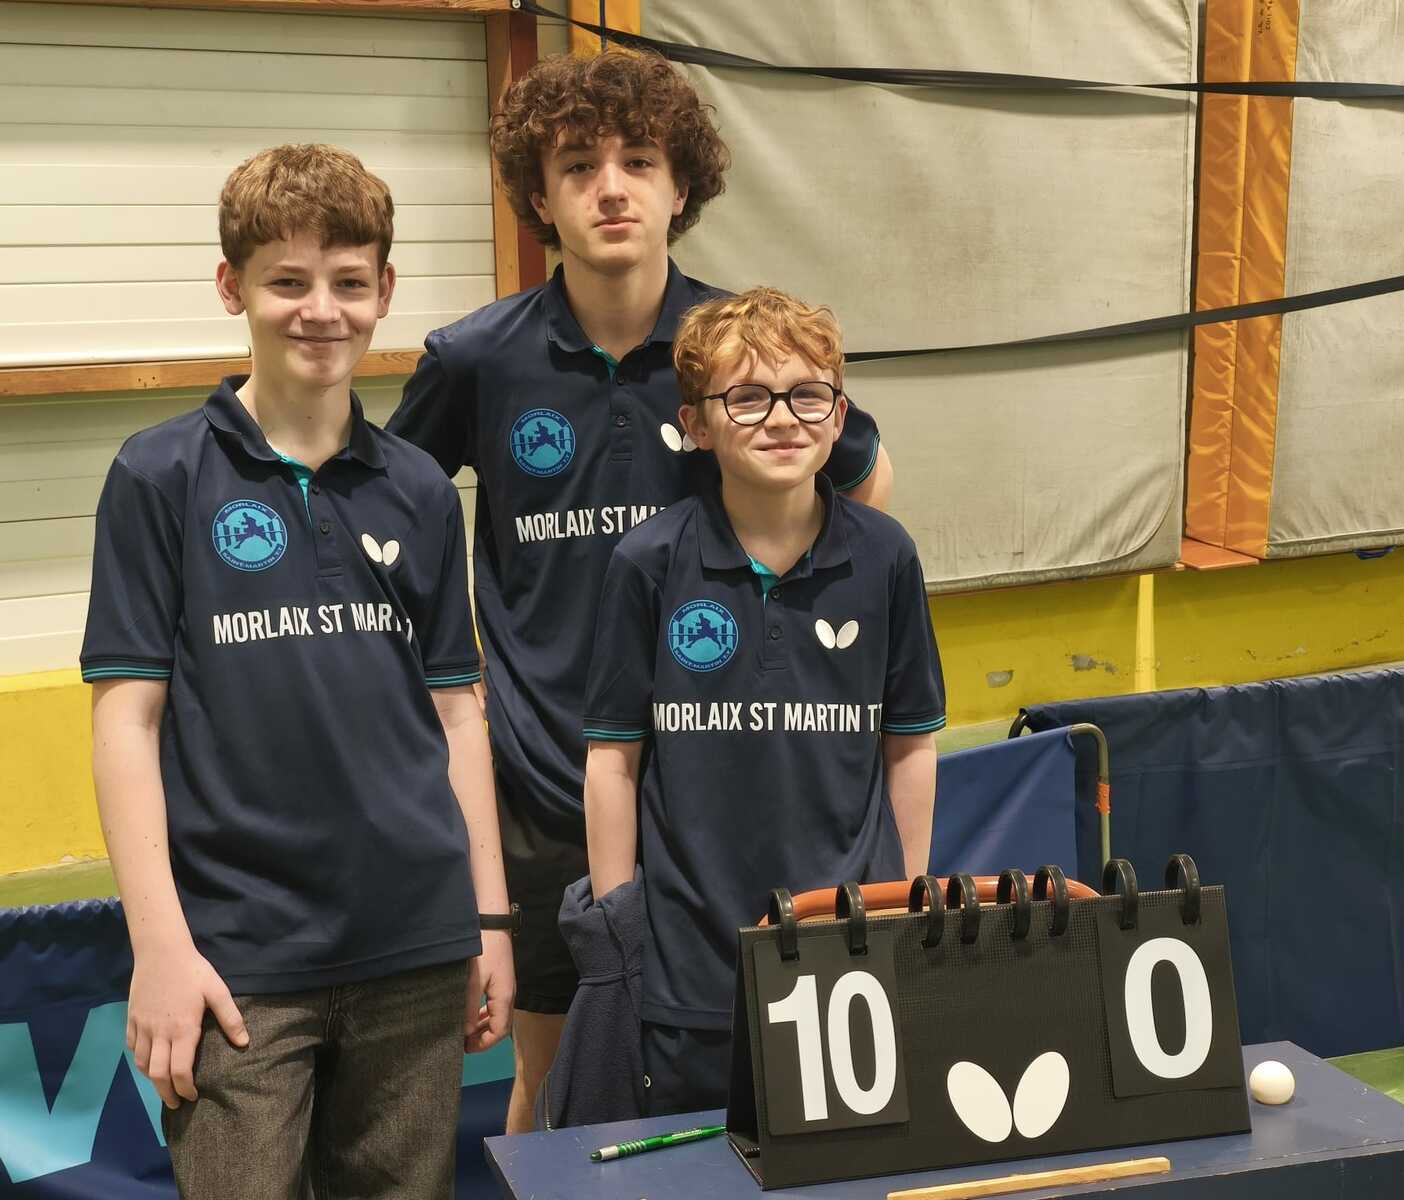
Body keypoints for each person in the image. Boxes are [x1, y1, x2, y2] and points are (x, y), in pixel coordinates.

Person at [385, 49, 894, 1132]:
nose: (610, 188)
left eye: (639, 162)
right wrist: (456, 686)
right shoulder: (476, 359)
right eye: (578, 166)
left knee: (769, 1082)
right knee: (562, 1084)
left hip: (724, 789)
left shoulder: (739, 351)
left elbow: (867, 486)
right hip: (547, 784)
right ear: (539, 197)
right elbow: (389, 515)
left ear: (681, 186)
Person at [80, 143, 514, 1197]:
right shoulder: (158, 475)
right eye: (288, 281)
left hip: (414, 944)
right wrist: (160, 947)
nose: (321, 310)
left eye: (349, 282)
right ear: (232, 287)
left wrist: (489, 918)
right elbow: (127, 722)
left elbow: (457, 714)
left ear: (385, 292)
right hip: (237, 961)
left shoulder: (419, 486)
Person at [582, 286, 944, 1115]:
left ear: (839, 414)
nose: (782, 419)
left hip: (849, 953)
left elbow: (911, 746)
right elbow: (613, 760)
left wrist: (906, 905)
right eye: (747, 398)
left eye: (807, 395)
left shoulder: (886, 557)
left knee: (846, 1164)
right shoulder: (646, 563)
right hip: (689, 969)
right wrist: (619, 930)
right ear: (697, 425)